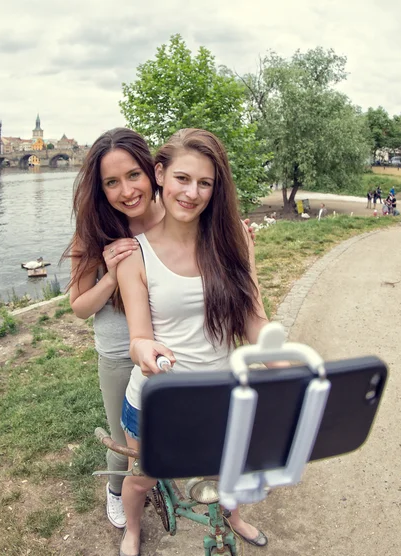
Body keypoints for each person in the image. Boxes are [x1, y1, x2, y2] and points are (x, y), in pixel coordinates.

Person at [63, 128, 255, 530]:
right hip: (122, 348)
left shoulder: (177, 212)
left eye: (133, 175)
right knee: (126, 445)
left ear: (154, 173)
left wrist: (235, 239)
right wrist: (113, 275)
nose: (126, 190)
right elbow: (79, 307)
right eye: (111, 183)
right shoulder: (97, 229)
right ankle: (118, 493)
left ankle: (223, 509)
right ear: (100, 189)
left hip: (180, 345)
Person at [116, 129, 270, 556]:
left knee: (230, 469)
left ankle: (234, 517)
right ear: (160, 174)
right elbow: (139, 338)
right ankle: (131, 530)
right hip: (158, 399)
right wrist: (146, 352)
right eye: (183, 178)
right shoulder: (133, 254)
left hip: (221, 392)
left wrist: (281, 360)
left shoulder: (233, 241)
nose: (192, 193)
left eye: (205, 183)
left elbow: (253, 317)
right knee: (142, 476)